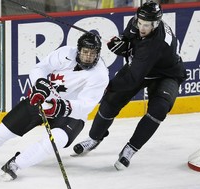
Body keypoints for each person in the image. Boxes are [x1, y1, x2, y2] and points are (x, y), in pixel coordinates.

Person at [0, 32, 109, 181]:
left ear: (98, 54)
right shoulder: (65, 53)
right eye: (85, 52)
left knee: (58, 139)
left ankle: (16, 164)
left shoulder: (100, 75)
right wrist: (40, 84)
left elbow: (86, 105)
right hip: (45, 99)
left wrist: (61, 107)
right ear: (78, 50)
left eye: (93, 53)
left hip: (70, 113)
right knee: (7, 129)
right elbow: (40, 68)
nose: (88, 56)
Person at [72, 1, 187, 170]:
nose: (141, 28)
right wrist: (122, 44)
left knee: (159, 108)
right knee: (111, 100)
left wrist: (107, 85)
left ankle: (130, 149)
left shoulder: (156, 43)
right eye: (140, 22)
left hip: (166, 74)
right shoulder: (137, 22)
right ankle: (94, 138)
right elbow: (130, 40)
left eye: (146, 25)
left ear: (156, 24)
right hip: (143, 67)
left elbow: (134, 77)